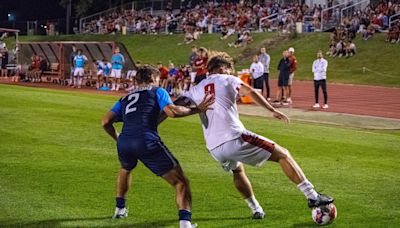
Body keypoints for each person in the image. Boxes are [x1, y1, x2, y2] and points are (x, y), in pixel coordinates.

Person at [164, 54, 334, 219]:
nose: (231, 72)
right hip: (234, 137)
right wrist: (271, 110)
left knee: (237, 170)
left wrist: (154, 122)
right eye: (230, 69)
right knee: (283, 154)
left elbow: (173, 108)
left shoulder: (195, 89)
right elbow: (250, 91)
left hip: (214, 147)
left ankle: (256, 209)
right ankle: (312, 195)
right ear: (223, 68)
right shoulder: (228, 79)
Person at [102, 66, 214, 228]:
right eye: (157, 79)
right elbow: (172, 112)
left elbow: (105, 122)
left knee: (126, 168)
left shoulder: (125, 98)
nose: (158, 81)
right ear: (151, 80)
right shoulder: (157, 91)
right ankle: (185, 224)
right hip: (146, 141)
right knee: (181, 182)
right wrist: (197, 109)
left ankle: (120, 208)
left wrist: (117, 138)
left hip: (125, 142)